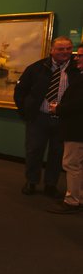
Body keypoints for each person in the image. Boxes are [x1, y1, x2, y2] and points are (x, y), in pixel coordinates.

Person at [14, 36, 76, 197]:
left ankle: (51, 185)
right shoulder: (36, 68)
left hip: (64, 121)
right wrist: (26, 112)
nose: (65, 52)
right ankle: (31, 182)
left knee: (57, 153)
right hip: (39, 118)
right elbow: (20, 92)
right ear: (52, 50)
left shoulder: (77, 70)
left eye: (68, 48)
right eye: (61, 49)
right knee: (34, 151)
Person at [47, 43, 83, 214]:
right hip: (75, 128)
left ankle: (72, 201)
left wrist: (58, 109)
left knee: (71, 164)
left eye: (81, 55)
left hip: (76, 129)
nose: (76, 58)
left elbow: (78, 104)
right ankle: (78, 197)